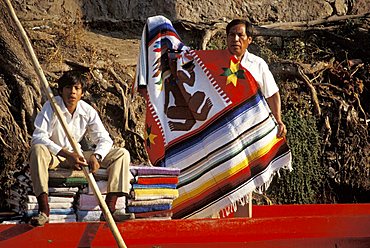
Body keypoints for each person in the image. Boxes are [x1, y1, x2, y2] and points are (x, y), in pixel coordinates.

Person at [29, 70, 132, 226]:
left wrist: (96, 156)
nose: (73, 92)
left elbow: (104, 138)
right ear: (61, 90)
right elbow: (38, 137)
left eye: (77, 88)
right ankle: (44, 210)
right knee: (37, 149)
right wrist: (66, 154)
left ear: (82, 93)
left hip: (78, 154)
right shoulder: (51, 106)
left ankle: (110, 209)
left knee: (121, 154)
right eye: (68, 88)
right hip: (55, 155)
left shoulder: (87, 110)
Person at [226, 19, 287, 138]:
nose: (235, 39)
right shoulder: (215, 63)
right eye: (232, 35)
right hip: (225, 128)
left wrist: (278, 120)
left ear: (249, 39)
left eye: (240, 35)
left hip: (253, 126)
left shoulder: (257, 64)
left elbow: (272, 94)